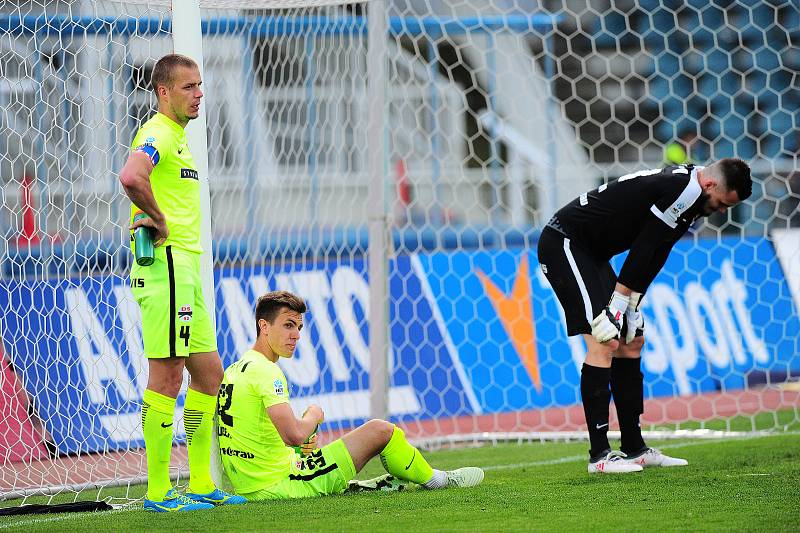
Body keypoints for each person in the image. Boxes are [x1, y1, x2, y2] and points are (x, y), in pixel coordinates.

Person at [537, 159, 752, 473]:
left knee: (632, 342)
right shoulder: (682, 189)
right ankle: (599, 457)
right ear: (710, 186)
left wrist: (633, 304)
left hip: (593, 253)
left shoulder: (692, 196)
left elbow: (657, 252)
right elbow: (644, 246)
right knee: (605, 338)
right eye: (722, 203)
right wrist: (617, 306)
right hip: (565, 242)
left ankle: (634, 449)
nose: (721, 211)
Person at [119, 54, 244, 511]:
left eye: (200, 85)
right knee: (168, 375)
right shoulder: (156, 132)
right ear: (163, 92)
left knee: (209, 373)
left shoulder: (180, 138)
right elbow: (131, 176)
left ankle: (201, 483)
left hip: (187, 269)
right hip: (166, 266)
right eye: (188, 87)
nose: (198, 94)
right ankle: (156, 492)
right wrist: (156, 217)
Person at [215, 290, 485, 500]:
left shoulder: (235, 369)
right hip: (283, 486)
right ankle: (438, 480)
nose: (296, 335)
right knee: (381, 431)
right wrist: (313, 415)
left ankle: (358, 486)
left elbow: (261, 435)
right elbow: (294, 435)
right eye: (288, 325)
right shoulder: (267, 372)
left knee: (320, 452)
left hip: (256, 484)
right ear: (264, 326)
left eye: (299, 327)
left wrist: (298, 448)